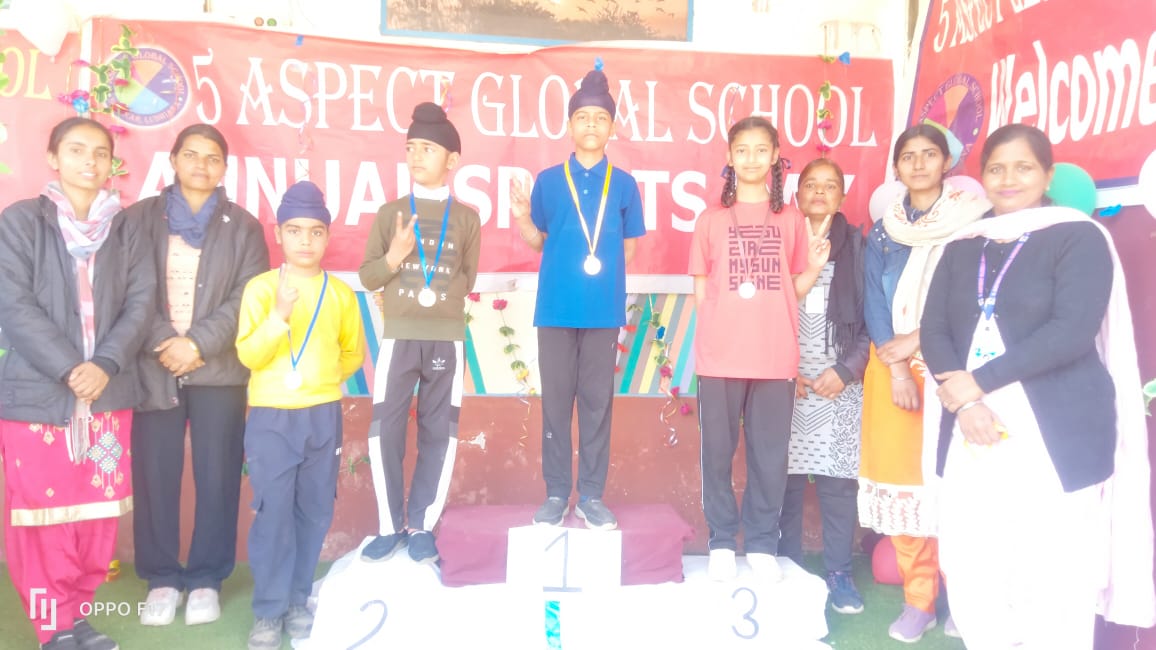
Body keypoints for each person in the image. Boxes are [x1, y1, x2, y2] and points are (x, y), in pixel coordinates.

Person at [921, 124, 1154, 648]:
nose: (1009, 179)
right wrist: (966, 405)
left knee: (1053, 568)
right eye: (996, 168)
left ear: (1048, 175)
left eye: (1023, 167)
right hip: (971, 426)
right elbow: (933, 329)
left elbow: (1071, 331)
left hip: (1057, 431)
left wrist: (975, 383)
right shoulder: (963, 245)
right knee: (977, 560)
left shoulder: (1078, 236)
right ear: (982, 176)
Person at [0, 117, 155, 650]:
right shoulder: (21, 221)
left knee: (96, 517)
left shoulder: (126, 228)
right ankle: (53, 628)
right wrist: (71, 368)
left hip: (107, 393)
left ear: (112, 162)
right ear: (53, 157)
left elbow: (141, 303)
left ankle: (78, 617)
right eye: (76, 149)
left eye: (100, 152)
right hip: (39, 395)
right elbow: (13, 305)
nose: (90, 161)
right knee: (43, 519)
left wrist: (105, 364)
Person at [126, 123, 269, 626]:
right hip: (155, 366)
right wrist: (167, 342)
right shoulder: (139, 219)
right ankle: (162, 578)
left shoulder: (244, 227)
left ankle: (208, 577)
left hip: (219, 371)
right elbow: (128, 291)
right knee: (155, 475)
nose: (201, 165)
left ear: (224, 168)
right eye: (191, 155)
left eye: (212, 158)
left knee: (218, 475)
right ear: (173, 160)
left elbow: (248, 297)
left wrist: (198, 345)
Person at [859, 123, 987, 642]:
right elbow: (873, 299)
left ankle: (965, 596)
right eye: (908, 156)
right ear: (896, 168)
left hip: (955, 364)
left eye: (928, 154)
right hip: (891, 366)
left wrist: (919, 338)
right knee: (901, 484)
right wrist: (896, 367)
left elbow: (976, 296)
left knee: (957, 483)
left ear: (946, 162)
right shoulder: (883, 231)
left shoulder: (975, 223)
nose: (917, 164)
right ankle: (919, 600)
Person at [689, 115, 830, 582]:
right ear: (729, 157)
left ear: (775, 157)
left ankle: (763, 544)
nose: (751, 158)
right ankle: (721, 541)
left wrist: (814, 266)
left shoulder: (790, 219)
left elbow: (795, 289)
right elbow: (702, 291)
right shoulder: (710, 220)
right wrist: (714, 340)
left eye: (760, 149)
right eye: (742, 150)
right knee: (717, 454)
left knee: (769, 457)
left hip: (774, 357)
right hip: (720, 358)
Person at [509, 60, 646, 530]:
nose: (591, 124)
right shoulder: (549, 180)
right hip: (554, 309)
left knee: (596, 404)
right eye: (582, 117)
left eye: (600, 118)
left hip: (603, 311)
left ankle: (591, 495)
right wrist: (523, 218)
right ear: (569, 126)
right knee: (555, 404)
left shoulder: (624, 184)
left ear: (612, 128)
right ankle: (555, 493)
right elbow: (538, 240)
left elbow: (629, 247)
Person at [235, 181, 365, 650]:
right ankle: (268, 611)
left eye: (315, 231)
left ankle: (296, 601)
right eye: (294, 231)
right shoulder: (260, 289)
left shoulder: (340, 294)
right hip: (272, 417)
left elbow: (352, 353)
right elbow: (249, 354)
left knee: (314, 509)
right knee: (273, 512)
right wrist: (279, 317)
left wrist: (320, 380)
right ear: (278, 234)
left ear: (327, 236)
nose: (305, 241)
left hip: (322, 413)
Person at [358, 102, 481, 564]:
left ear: (452, 159)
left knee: (440, 431)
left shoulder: (467, 218)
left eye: (427, 148)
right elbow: (369, 276)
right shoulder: (390, 213)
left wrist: (437, 298)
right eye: (411, 147)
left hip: (446, 337)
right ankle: (389, 527)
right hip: (399, 337)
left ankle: (422, 524)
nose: (416, 156)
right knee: (384, 431)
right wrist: (395, 256)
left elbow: (467, 277)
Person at [779, 158, 869, 613]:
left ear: (841, 196)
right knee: (785, 483)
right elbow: (763, 313)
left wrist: (847, 370)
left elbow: (875, 319)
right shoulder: (781, 241)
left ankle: (838, 573)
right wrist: (783, 370)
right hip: (787, 383)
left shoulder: (858, 247)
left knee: (837, 485)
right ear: (796, 196)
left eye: (829, 185)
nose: (819, 192)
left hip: (840, 384)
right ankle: (787, 568)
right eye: (810, 185)